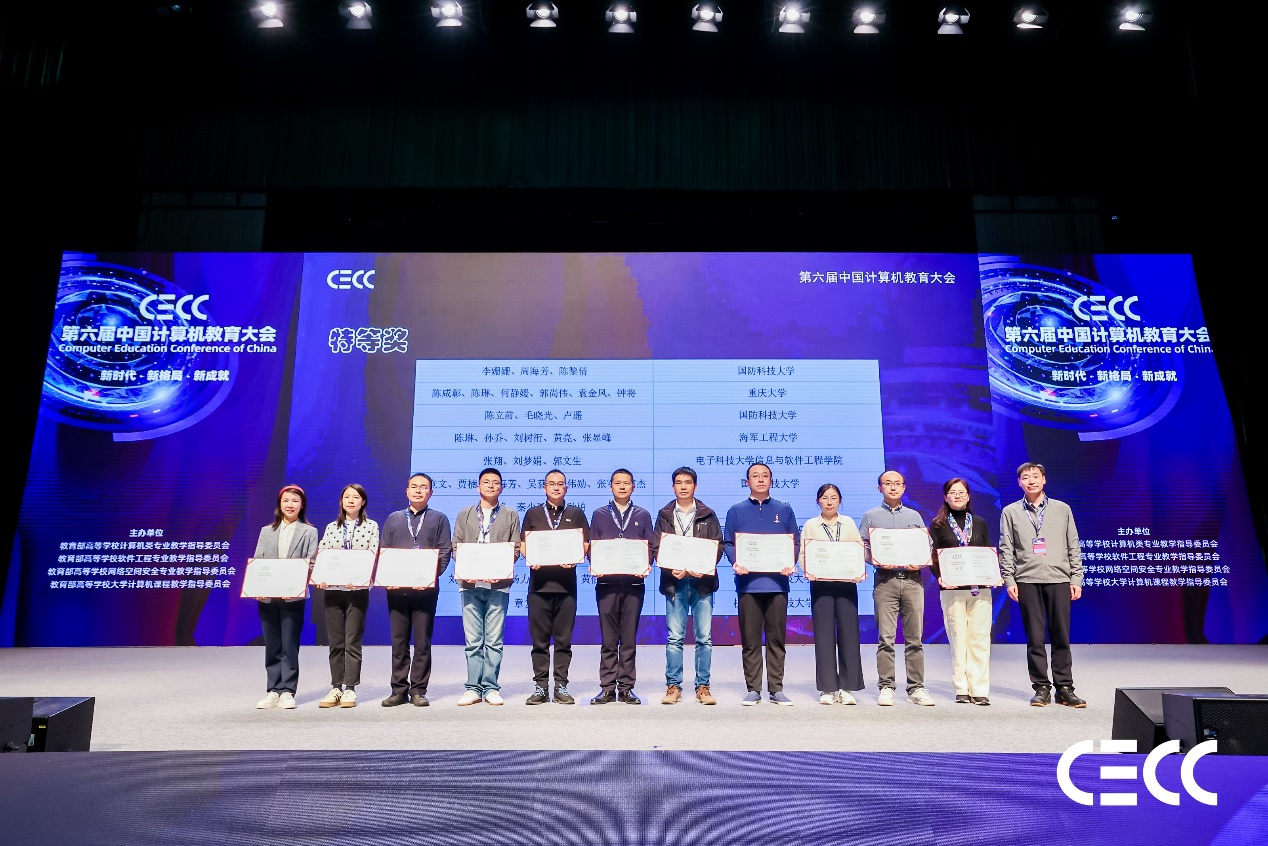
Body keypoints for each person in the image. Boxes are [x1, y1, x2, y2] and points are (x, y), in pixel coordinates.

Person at [1000, 462, 1085, 708]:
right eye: (1026, 477)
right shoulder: (1010, 511)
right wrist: (1009, 579)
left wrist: (1076, 578)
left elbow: (1073, 544)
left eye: (1035, 476)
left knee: (1061, 635)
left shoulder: (1062, 509)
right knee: (1035, 637)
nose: (1031, 481)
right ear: (1019, 483)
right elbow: (1006, 548)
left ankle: (1065, 687)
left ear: (1044, 480)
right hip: (1027, 580)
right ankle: (1041, 687)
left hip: (1059, 578)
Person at [723, 462, 799, 706]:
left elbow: (794, 542)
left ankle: (776, 689)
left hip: (777, 585)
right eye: (755, 476)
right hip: (748, 585)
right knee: (750, 639)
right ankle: (753, 689)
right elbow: (728, 543)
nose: (760, 479)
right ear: (747, 482)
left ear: (771, 481)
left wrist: (789, 561)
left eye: (765, 475)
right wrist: (736, 562)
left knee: (777, 639)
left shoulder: (784, 510)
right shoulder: (736, 511)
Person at [859, 470, 935, 706]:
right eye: (887, 483)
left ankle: (916, 688)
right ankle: (886, 686)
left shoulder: (914, 516)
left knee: (915, 639)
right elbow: (861, 547)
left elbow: (928, 545)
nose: (893, 487)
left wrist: (921, 561)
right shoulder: (870, 516)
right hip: (885, 582)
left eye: (897, 484)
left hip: (913, 581)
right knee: (886, 638)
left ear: (904, 488)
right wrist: (876, 559)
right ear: (879, 488)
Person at [379, 472, 452, 707]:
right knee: (399, 640)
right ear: (407, 491)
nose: (418, 490)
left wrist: (430, 577)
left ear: (431, 492)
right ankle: (398, 689)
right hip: (397, 589)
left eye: (424, 487)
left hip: (425, 590)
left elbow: (445, 551)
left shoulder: (439, 519)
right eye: (414, 486)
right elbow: (384, 550)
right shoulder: (394, 518)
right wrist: (387, 577)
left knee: (422, 641)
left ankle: (418, 689)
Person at [653, 467, 722, 705]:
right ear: (673, 487)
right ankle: (673, 686)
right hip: (675, 583)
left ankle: (703, 687)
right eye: (679, 482)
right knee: (675, 638)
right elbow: (657, 547)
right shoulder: (664, 515)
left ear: (695, 486)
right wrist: (669, 566)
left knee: (704, 638)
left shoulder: (708, 514)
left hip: (702, 584)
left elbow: (718, 546)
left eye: (688, 482)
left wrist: (703, 566)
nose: (683, 486)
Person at [452, 468, 521, 706]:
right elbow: (456, 546)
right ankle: (473, 688)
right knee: (473, 641)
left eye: (495, 482)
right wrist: (470, 569)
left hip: (498, 585)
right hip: (469, 584)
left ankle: (490, 687)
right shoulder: (464, 514)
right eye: (486, 482)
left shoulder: (510, 515)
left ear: (501, 487)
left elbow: (515, 548)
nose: (491, 485)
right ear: (478, 486)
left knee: (494, 640)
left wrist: (498, 569)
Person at [520, 469, 589, 705]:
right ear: (544, 487)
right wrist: (531, 557)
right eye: (552, 484)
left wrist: (576, 556)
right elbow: (524, 543)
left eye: (560, 484)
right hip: (539, 588)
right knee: (539, 642)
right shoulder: (533, 513)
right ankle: (540, 687)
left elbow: (585, 543)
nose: (556, 487)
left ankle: (561, 685)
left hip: (566, 588)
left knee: (563, 641)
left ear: (566, 487)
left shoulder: (576, 513)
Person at [588, 469, 654, 705]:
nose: (622, 487)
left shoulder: (643, 515)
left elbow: (650, 547)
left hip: (634, 583)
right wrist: (595, 564)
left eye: (627, 483)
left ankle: (626, 688)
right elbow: (593, 546)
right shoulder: (599, 514)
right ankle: (607, 688)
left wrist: (646, 564)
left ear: (633, 487)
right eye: (618, 483)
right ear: (611, 486)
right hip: (606, 584)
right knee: (608, 639)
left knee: (628, 638)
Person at [798, 484, 866, 706]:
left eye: (834, 498)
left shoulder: (848, 523)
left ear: (840, 500)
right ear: (818, 501)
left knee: (849, 634)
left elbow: (858, 549)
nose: (829, 502)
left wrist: (859, 571)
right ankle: (827, 688)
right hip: (821, 585)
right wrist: (808, 570)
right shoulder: (811, 525)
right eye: (825, 498)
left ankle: (847, 687)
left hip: (846, 585)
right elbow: (803, 553)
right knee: (824, 635)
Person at [252, 484, 318, 710]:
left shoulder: (309, 532)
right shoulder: (266, 531)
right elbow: (258, 562)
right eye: (286, 501)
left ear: (302, 505)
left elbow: (311, 563)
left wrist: (296, 584)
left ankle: (288, 690)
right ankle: (273, 689)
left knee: (289, 643)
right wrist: (257, 586)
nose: (290, 505)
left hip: (293, 596)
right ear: (280, 504)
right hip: (267, 596)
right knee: (272, 644)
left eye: (295, 501)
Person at [314, 484, 380, 709]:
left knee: (352, 640)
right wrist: (321, 577)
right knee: (335, 642)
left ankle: (350, 687)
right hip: (333, 591)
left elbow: (373, 555)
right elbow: (322, 554)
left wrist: (360, 579)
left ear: (363, 502)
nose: (351, 500)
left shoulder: (371, 526)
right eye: (347, 497)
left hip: (357, 591)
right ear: (341, 501)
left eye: (356, 497)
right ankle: (336, 687)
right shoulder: (332, 527)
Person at [929, 478, 993, 706]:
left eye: (961, 492)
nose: (957, 496)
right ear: (945, 497)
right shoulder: (937, 525)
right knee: (958, 639)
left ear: (968, 496)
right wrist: (940, 576)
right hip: (951, 589)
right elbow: (932, 556)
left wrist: (992, 575)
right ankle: (961, 688)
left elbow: (987, 554)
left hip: (980, 589)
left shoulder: (980, 523)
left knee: (980, 639)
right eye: (952, 492)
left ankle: (979, 689)